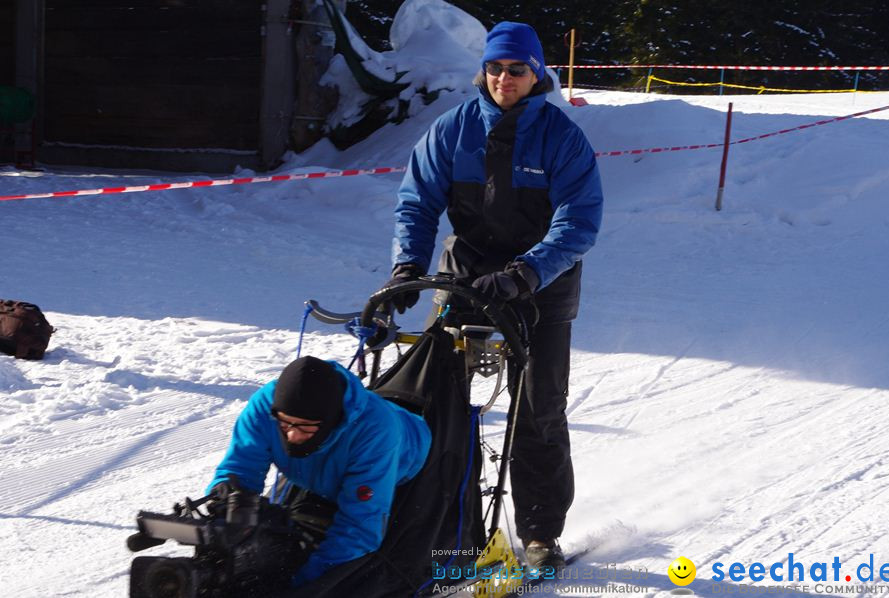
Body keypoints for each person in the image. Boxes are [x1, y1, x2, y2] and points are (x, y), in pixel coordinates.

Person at [384, 21, 603, 570]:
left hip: (541, 286)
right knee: (434, 397)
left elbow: (579, 221)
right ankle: (439, 518)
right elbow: (417, 202)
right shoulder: (452, 130)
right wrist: (407, 266)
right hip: (466, 275)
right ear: (483, 70)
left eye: (517, 69)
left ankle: (539, 533)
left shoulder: (561, 137)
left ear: (538, 74)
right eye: (496, 67)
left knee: (538, 409)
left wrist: (527, 273)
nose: (505, 78)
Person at [207, 355, 431, 588]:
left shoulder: (377, 432)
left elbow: (359, 527)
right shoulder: (266, 406)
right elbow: (241, 465)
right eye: (285, 424)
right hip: (325, 465)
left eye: (305, 426)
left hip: (404, 469)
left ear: (332, 420)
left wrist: (301, 583)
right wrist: (226, 498)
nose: (292, 435)